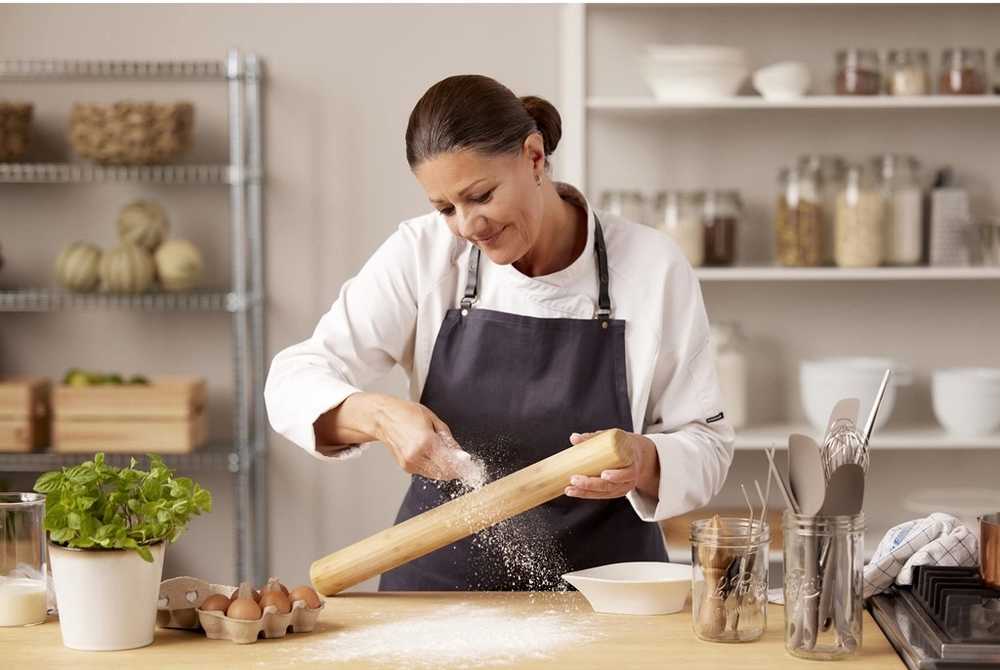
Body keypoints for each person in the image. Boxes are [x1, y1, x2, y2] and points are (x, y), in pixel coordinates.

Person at [265, 74, 734, 591]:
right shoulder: (422, 256)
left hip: (611, 593)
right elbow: (292, 379)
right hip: (440, 596)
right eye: (445, 208)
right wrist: (380, 416)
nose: (468, 226)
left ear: (534, 157)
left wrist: (643, 459)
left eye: (481, 195)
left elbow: (706, 444)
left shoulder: (651, 266)